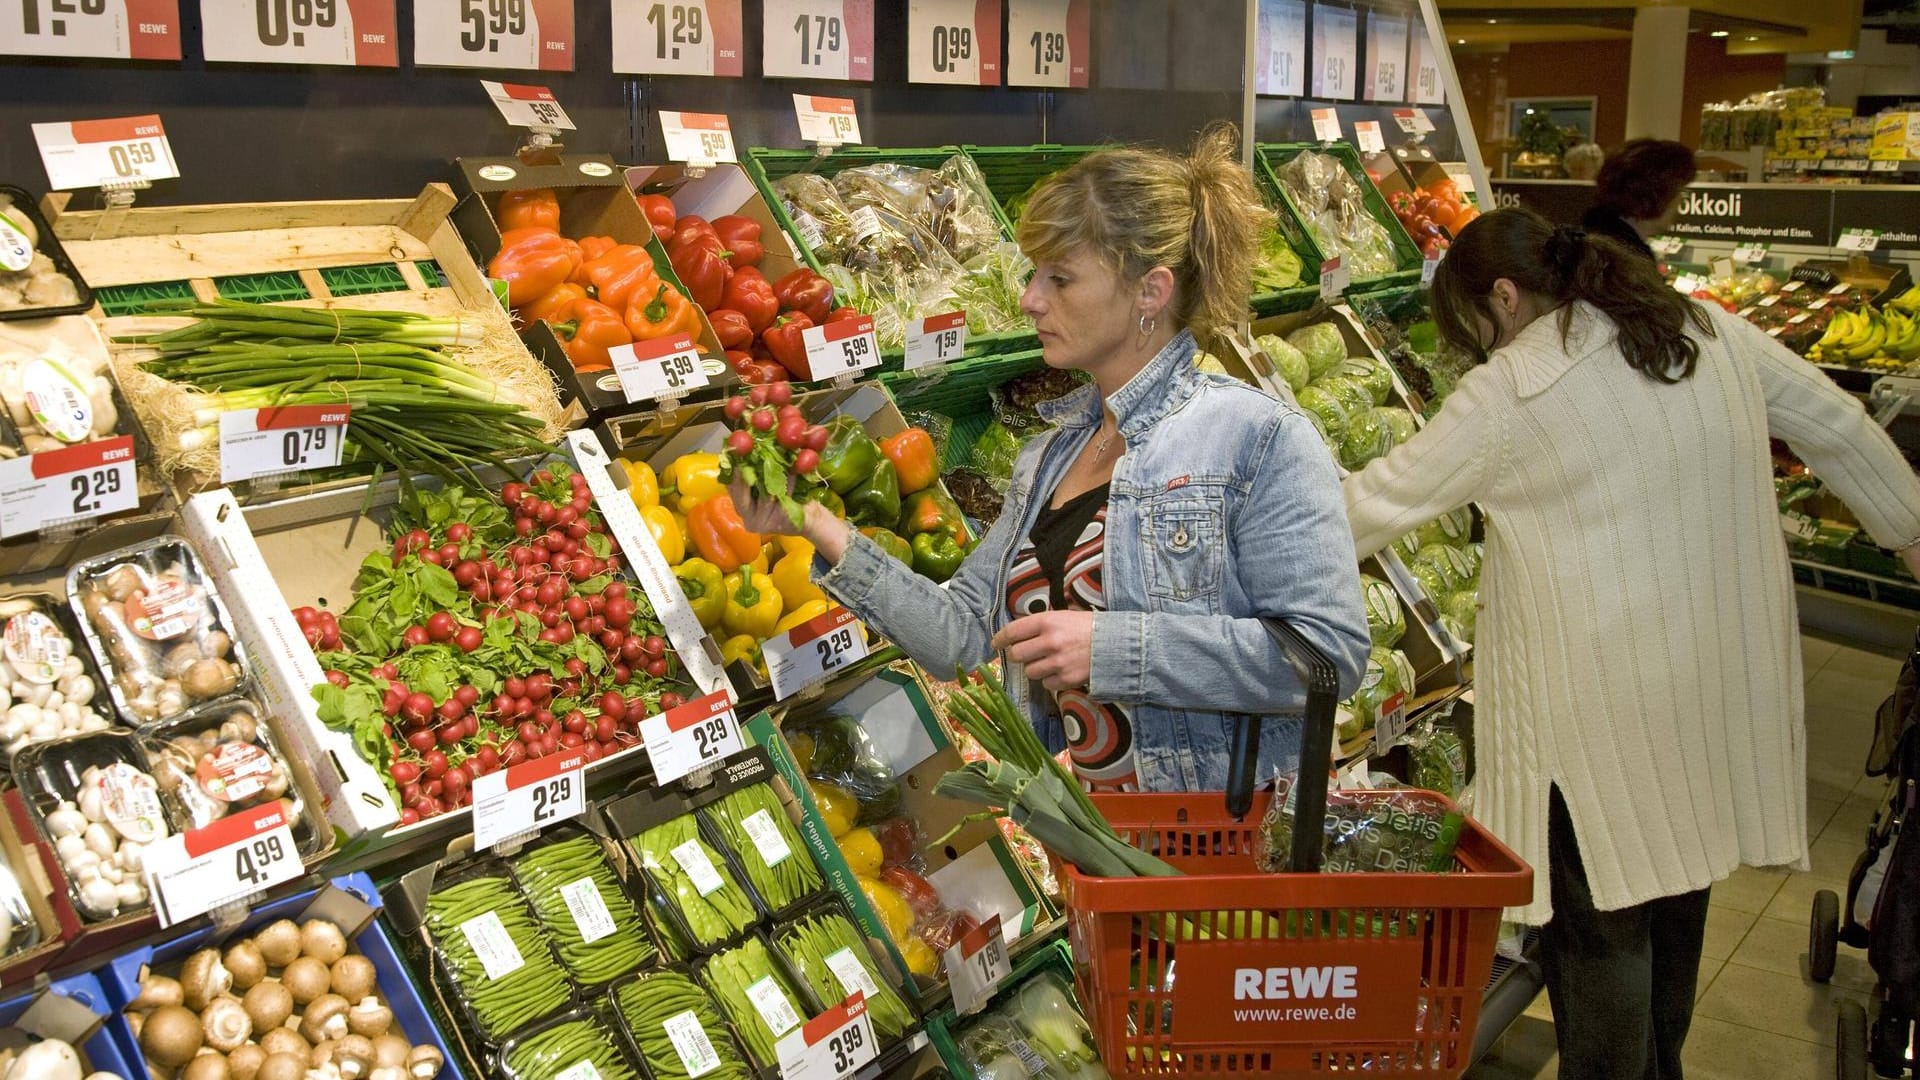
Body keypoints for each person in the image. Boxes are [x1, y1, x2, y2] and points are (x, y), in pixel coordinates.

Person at [1342, 207, 1920, 1080]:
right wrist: (1912, 531)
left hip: (1594, 718)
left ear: (1502, 295)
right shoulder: (1698, 329)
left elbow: (1374, 503)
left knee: (1599, 932)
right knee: (1677, 900)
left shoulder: (1514, 391)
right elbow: (1836, 426)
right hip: (1711, 694)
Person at [736, 124, 1369, 793]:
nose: (1030, 298)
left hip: (1215, 859)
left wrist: (1115, 649)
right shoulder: (1051, 456)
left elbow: (1328, 656)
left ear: (1150, 292)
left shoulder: (1257, 439)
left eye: (1060, 278)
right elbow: (958, 635)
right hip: (1095, 855)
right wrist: (811, 521)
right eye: (1035, 273)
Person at [1580, 137, 1696, 260]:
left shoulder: (1598, 242)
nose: (1682, 200)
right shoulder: (1622, 262)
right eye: (1680, 191)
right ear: (1656, 193)